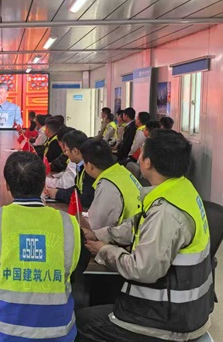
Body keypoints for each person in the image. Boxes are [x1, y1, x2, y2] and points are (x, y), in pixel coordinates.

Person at [78, 130, 213, 341]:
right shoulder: (180, 189)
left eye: (142, 153)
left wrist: (104, 250)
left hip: (167, 320)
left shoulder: (166, 212)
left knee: (80, 322)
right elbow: (137, 225)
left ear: (147, 162)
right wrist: (98, 234)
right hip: (183, 309)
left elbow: (142, 270)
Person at [0, 151, 90, 342]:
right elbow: (76, 270)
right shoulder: (69, 224)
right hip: (57, 328)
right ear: (43, 185)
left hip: (2, 326)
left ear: (7, 186)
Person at [80, 139, 141, 231]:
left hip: (130, 236)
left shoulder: (107, 185)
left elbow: (96, 226)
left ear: (90, 166)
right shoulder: (121, 171)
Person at [46, 130, 95, 208]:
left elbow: (86, 200)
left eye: (66, 151)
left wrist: (58, 194)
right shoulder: (80, 166)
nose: (66, 154)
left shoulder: (90, 169)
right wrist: (57, 191)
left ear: (75, 151)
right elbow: (76, 189)